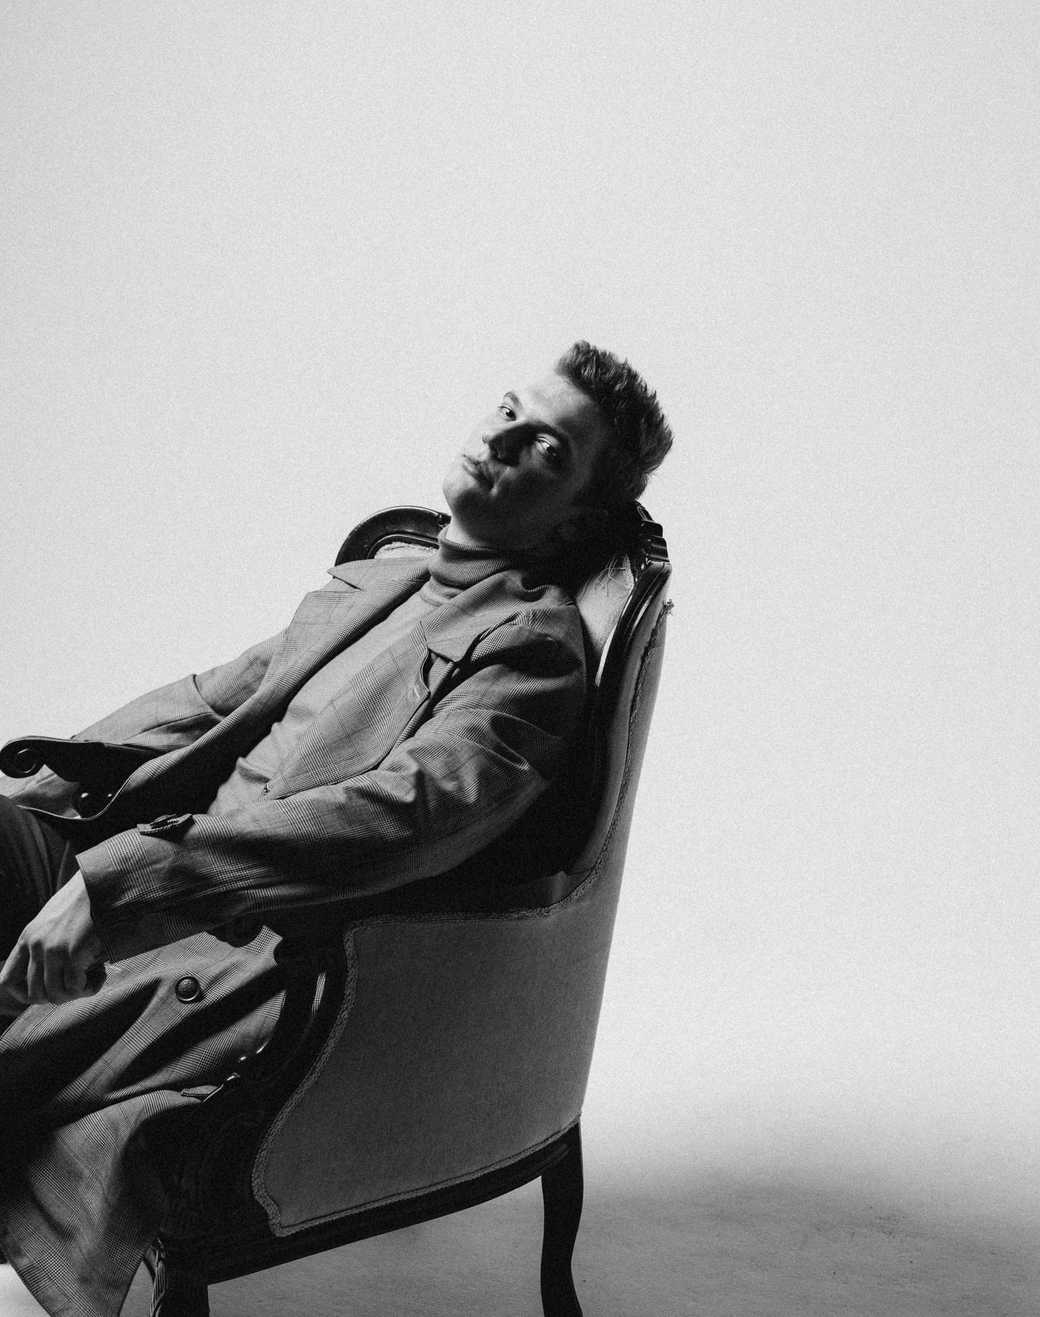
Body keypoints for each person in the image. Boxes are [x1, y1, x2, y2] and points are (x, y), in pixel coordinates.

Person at [0, 340, 672, 1317]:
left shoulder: (531, 656)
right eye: (508, 409)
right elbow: (215, 703)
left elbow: (389, 824)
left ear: (571, 518)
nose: (502, 437)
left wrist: (120, 884)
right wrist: (47, 786)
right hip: (159, 857)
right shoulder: (392, 578)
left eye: (545, 448)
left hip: (247, 942)